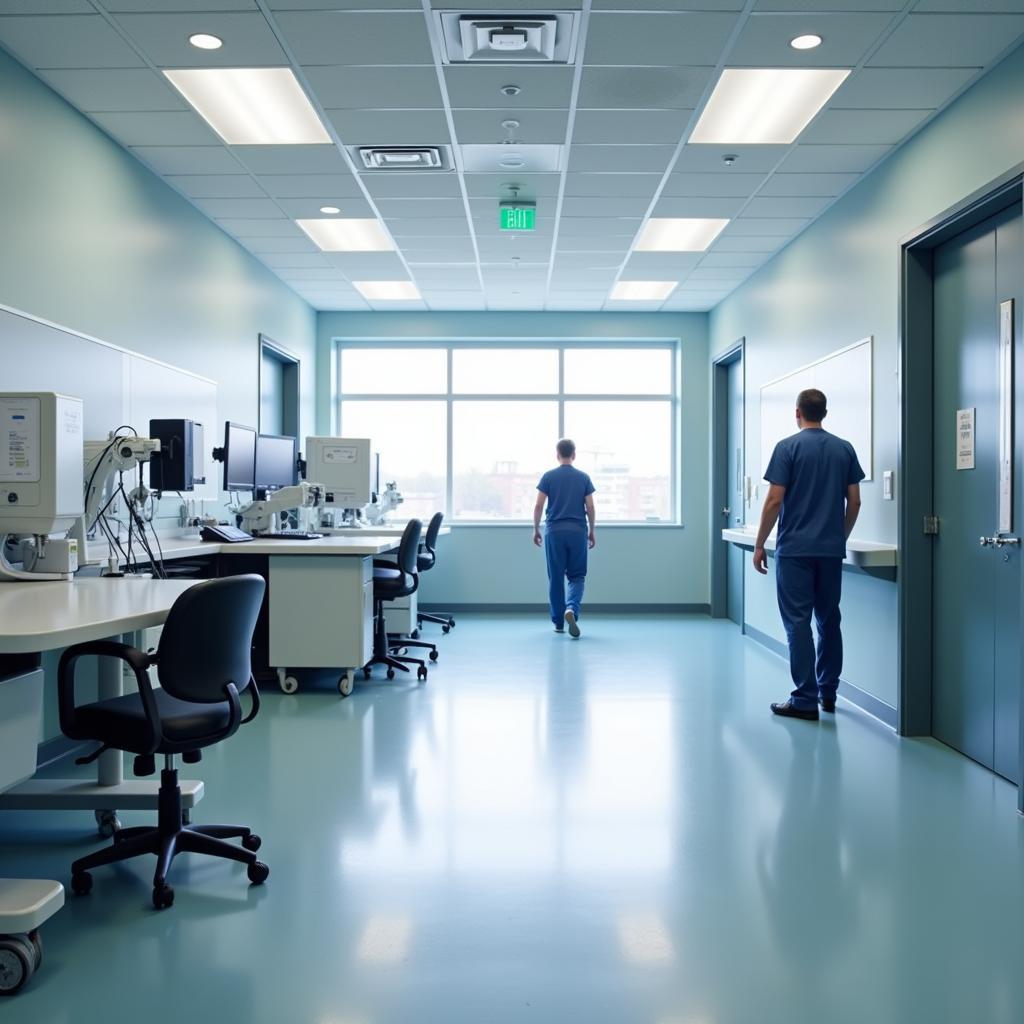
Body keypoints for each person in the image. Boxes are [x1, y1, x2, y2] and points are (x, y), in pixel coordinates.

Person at [753, 388, 864, 720]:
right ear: (825, 413)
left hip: (795, 551)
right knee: (829, 620)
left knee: (797, 624)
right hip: (829, 551)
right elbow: (855, 501)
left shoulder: (787, 448)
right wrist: (838, 537)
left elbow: (774, 501)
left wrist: (760, 544)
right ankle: (828, 693)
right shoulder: (844, 449)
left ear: (797, 412)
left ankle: (804, 698)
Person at [533, 439, 596, 638]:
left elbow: (539, 506)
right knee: (577, 576)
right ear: (574, 455)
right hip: (577, 532)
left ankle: (559, 622)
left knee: (556, 578)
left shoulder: (548, 477)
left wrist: (536, 529)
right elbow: (591, 507)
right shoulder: (583, 477)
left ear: (557, 454)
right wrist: (592, 530)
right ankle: (572, 609)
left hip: (554, 532)